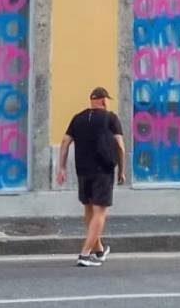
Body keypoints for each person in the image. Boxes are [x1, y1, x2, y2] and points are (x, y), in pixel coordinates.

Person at [57, 86, 125, 267]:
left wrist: (62, 167)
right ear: (104, 101)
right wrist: (122, 170)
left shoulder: (77, 118)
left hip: (83, 171)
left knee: (88, 212)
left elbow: (65, 142)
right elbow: (120, 146)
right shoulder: (111, 118)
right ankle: (84, 254)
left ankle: (99, 250)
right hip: (102, 170)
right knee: (100, 213)